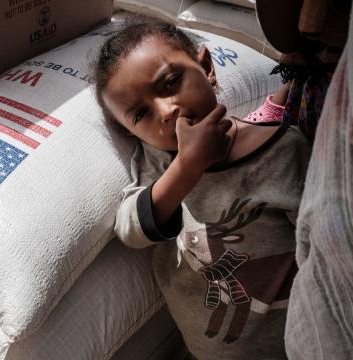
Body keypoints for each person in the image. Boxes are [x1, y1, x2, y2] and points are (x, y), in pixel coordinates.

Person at [93, 19, 311, 359]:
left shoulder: (283, 152)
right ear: (133, 135)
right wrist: (186, 167)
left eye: (171, 82)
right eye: (140, 114)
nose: (167, 111)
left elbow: (324, 251)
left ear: (207, 67)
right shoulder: (160, 167)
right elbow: (130, 229)